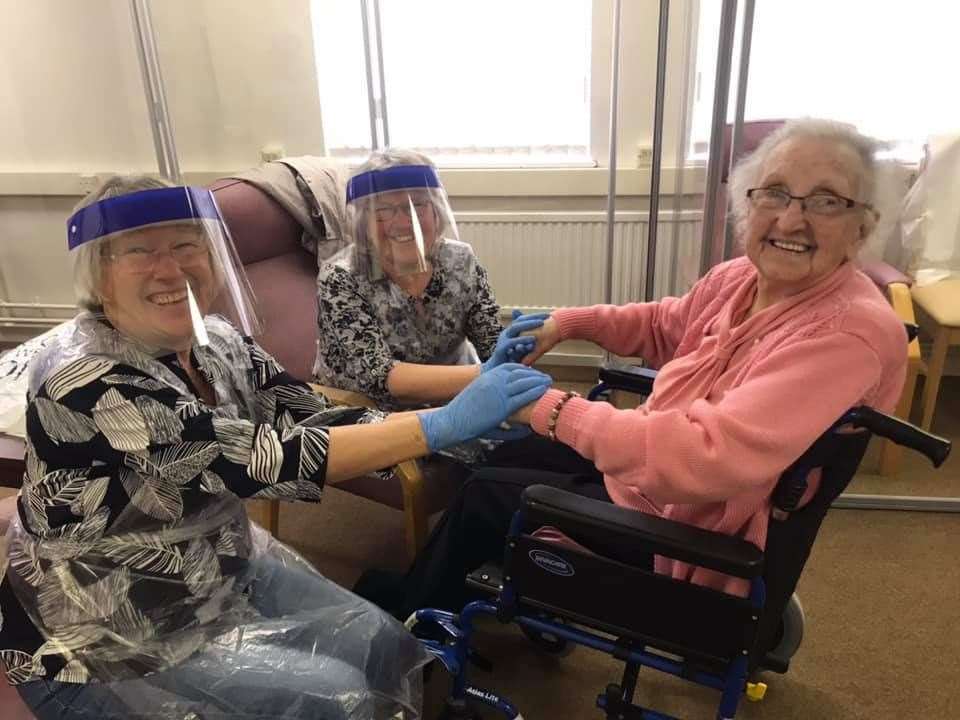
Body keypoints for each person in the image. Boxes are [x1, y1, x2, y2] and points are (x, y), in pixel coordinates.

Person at [0, 175, 552, 720]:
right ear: (99, 279)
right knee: (336, 695)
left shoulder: (215, 340)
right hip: (101, 639)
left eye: (187, 245)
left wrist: (461, 433)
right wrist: (438, 424)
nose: (170, 269)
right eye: (139, 252)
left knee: (378, 642)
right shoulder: (86, 380)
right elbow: (258, 459)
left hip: (217, 566)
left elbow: (304, 411)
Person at [362, 118, 909, 619]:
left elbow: (704, 454)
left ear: (863, 227)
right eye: (775, 193)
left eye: (826, 201)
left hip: (693, 527)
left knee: (489, 494)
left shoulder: (845, 333)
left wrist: (551, 410)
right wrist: (567, 323)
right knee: (503, 452)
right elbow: (668, 325)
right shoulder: (744, 277)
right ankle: (444, 589)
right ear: (748, 202)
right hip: (655, 474)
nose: (792, 218)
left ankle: (412, 622)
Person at [313, 149, 532, 411]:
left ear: (436, 211)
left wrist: (522, 347)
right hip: (370, 417)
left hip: (457, 399)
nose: (405, 222)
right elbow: (380, 377)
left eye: (416, 205)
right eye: (383, 210)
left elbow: (491, 343)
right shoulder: (340, 278)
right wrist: (487, 375)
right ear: (363, 223)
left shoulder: (460, 260)